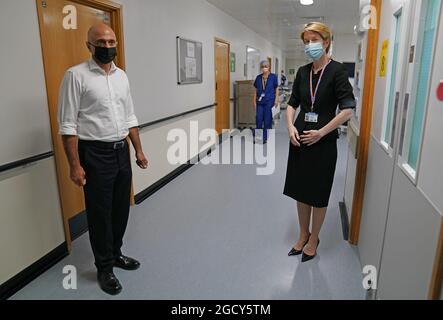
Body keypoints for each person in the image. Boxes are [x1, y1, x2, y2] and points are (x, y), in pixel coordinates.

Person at [57, 23, 149, 295]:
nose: (107, 46)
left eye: (111, 42)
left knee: (121, 208)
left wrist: (138, 150)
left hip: (121, 151)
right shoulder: (75, 76)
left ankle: (116, 253)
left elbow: (129, 116)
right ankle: (104, 267)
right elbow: (68, 126)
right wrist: (75, 165)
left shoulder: (122, 76)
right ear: (89, 45)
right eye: (101, 42)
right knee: (100, 214)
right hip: (94, 154)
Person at [283, 22, 355, 262]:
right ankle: (303, 234)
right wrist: (291, 126)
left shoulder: (337, 71)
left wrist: (321, 133)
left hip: (323, 142)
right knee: (301, 191)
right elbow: (292, 103)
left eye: (314, 40)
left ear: (326, 41)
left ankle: (314, 238)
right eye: (306, 41)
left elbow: (347, 110)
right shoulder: (303, 72)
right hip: (300, 139)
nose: (310, 45)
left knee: (318, 192)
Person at [253, 61, 279, 143]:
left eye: (266, 66)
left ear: (269, 67)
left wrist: (276, 99)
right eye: (263, 66)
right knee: (258, 119)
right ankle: (258, 137)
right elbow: (256, 90)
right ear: (260, 67)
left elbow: (276, 88)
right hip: (259, 102)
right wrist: (253, 100)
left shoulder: (273, 77)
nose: (264, 68)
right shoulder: (258, 77)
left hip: (269, 101)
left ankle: (264, 138)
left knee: (267, 120)